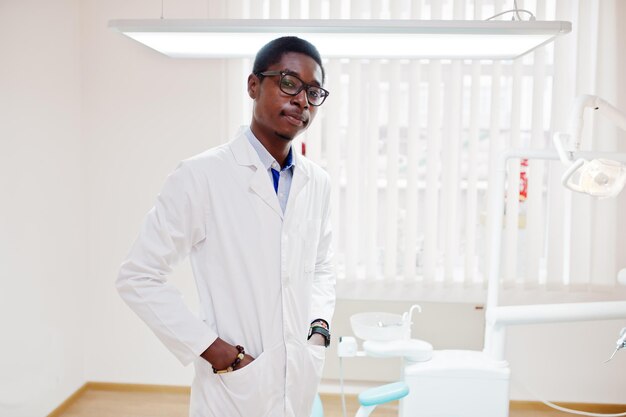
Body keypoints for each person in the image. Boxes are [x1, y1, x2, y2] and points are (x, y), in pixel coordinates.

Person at [116, 36, 336, 417]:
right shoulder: (201, 176)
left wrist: (317, 329)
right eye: (288, 83)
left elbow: (321, 267)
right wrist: (219, 352)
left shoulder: (317, 183)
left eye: (313, 91)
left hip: (296, 380)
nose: (301, 100)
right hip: (234, 384)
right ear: (253, 85)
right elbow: (139, 276)